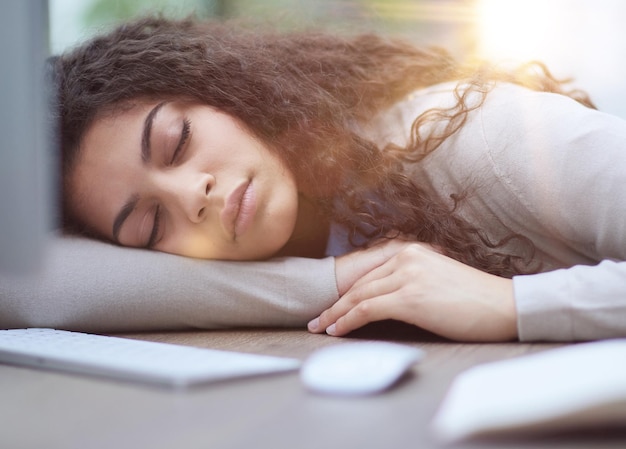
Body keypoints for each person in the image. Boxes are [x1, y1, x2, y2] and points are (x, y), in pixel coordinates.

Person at [44, 16, 626, 342]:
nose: (191, 196)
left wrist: (513, 304)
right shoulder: (314, 249)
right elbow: (22, 283)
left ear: (224, 92)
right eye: (149, 225)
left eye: (178, 143)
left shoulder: (481, 136)